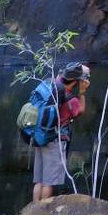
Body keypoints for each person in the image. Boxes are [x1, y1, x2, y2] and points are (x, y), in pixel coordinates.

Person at [32, 62, 90, 202]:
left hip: (40, 135)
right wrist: (82, 92)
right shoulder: (71, 98)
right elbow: (80, 110)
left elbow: (68, 73)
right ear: (76, 82)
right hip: (54, 140)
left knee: (39, 179)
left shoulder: (52, 83)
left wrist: (78, 72)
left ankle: (33, 210)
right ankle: (42, 213)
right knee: (49, 182)